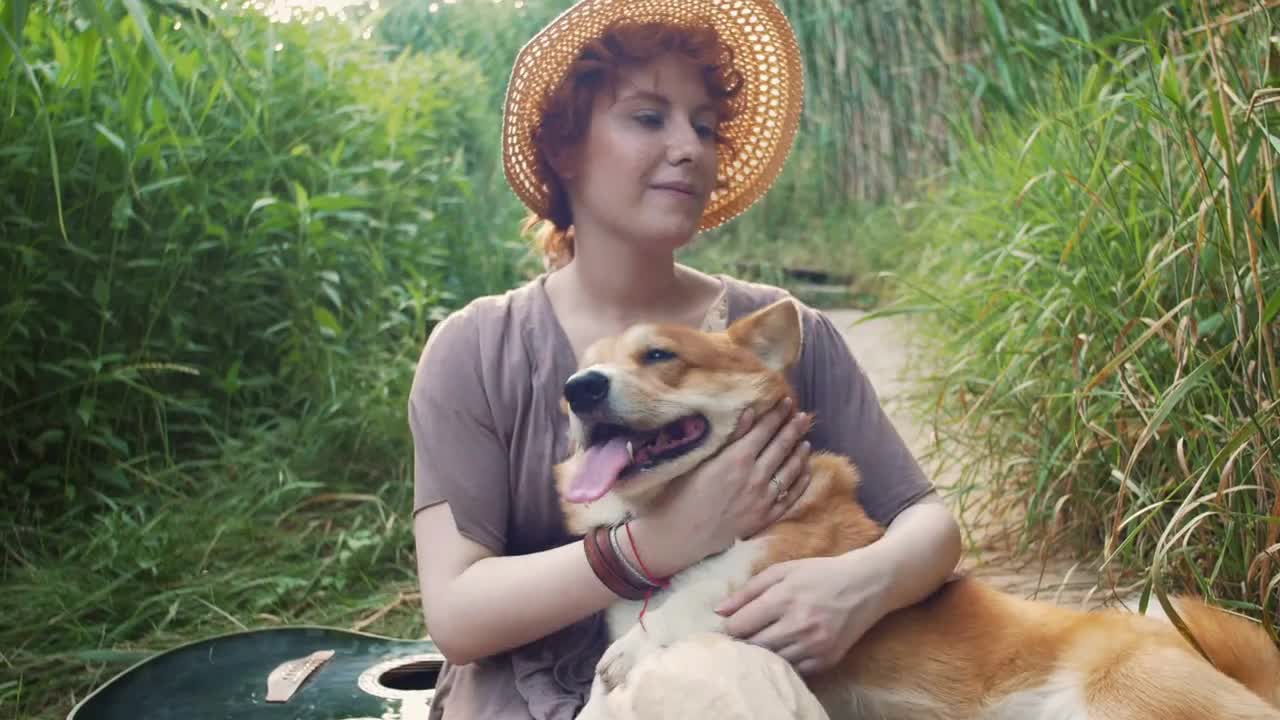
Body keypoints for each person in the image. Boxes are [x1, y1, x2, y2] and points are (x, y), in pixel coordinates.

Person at [408, 1, 963, 717]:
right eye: (648, 117)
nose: (688, 146)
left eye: (703, 125)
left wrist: (865, 584)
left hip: (740, 686)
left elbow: (928, 524)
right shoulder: (476, 350)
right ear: (564, 146)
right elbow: (457, 614)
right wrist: (659, 543)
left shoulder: (780, 336)